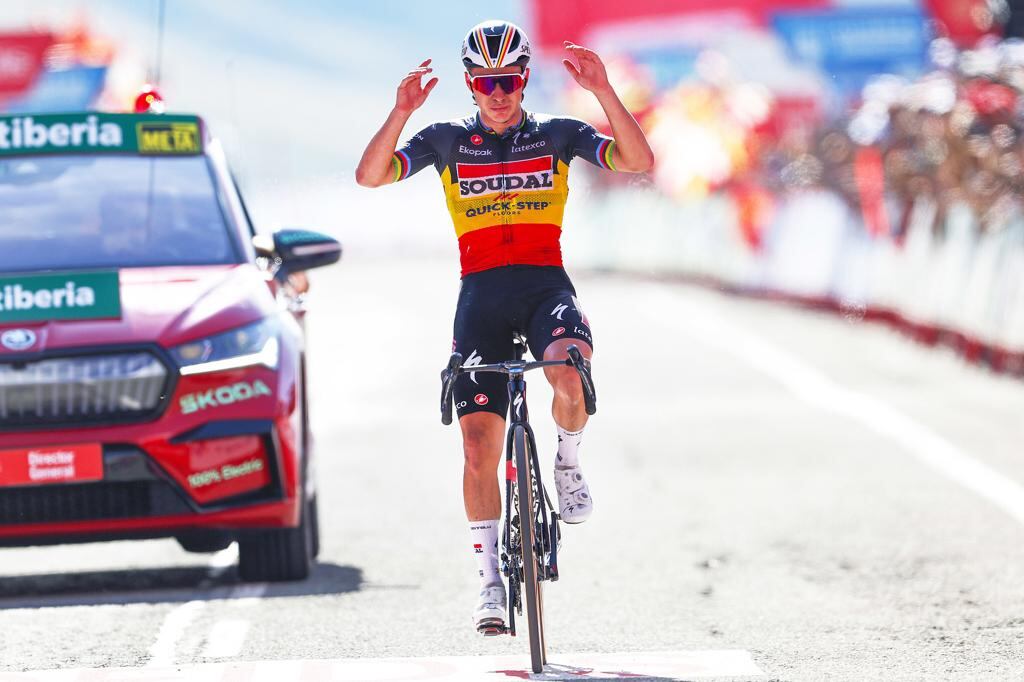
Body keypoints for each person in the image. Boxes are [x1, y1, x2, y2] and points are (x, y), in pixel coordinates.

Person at [355, 19, 654, 635]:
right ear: (470, 83)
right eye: (487, 82)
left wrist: (602, 91)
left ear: (524, 79)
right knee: (476, 447)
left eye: (509, 81)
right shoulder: (444, 140)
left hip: (546, 287)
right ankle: (490, 580)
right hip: (482, 296)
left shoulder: (557, 133)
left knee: (569, 371)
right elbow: (371, 176)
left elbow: (637, 159)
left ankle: (567, 460)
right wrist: (401, 111)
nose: (498, 93)